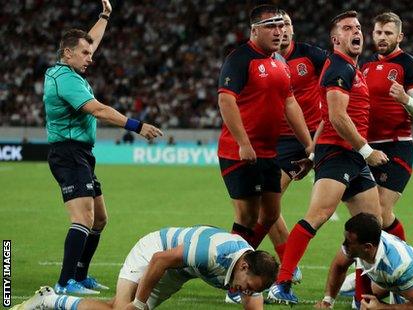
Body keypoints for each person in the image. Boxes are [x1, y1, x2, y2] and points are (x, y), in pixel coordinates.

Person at [267, 11, 388, 305]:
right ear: (336, 39)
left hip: (350, 156)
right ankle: (281, 283)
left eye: (358, 27)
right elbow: (336, 116)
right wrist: (366, 150)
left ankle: (363, 295)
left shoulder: (350, 68)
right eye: (347, 28)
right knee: (317, 216)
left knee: (374, 225)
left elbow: (324, 117)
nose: (355, 32)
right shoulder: (338, 68)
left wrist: (311, 153)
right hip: (339, 154)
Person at [43, 0, 162, 295]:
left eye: (89, 51)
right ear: (67, 53)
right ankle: (64, 281)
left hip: (81, 153)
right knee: (83, 218)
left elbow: (91, 42)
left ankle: (80, 276)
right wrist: (137, 126)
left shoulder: (69, 71)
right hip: (68, 152)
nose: (90, 57)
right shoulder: (64, 79)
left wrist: (105, 16)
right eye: (84, 53)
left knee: (100, 219)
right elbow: (98, 110)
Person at [217, 4, 313, 254]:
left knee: (270, 213)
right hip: (239, 153)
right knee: (247, 216)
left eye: (282, 26)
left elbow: (290, 103)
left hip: (270, 154)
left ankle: (239, 263)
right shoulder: (240, 59)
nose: (279, 31)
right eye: (271, 26)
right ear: (254, 30)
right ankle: (233, 273)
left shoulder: (280, 62)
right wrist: (243, 143)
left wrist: (308, 144)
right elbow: (226, 100)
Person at [15, 226, 279, 310]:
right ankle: (49, 300)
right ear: (243, 266)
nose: (243, 292)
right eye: (246, 287)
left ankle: (50, 299)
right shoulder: (211, 252)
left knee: (116, 307)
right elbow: (160, 260)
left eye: (250, 291)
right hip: (155, 251)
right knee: (124, 308)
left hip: (181, 270)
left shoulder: (255, 271)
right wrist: (138, 304)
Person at [266, 9, 328, 281]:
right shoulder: (260, 61)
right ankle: (289, 263)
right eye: (277, 24)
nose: (282, 29)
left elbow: (340, 76)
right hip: (284, 141)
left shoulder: (311, 55)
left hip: (318, 134)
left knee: (360, 202)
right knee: (266, 204)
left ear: (292, 29)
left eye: (287, 24)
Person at [360, 12, 413, 241]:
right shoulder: (365, 65)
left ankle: (395, 263)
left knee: (377, 210)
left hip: (396, 148)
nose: (382, 37)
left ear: (399, 36)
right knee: (374, 213)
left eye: (388, 33)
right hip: (368, 150)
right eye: (378, 32)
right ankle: (390, 260)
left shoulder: (409, 65)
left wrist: (405, 99)